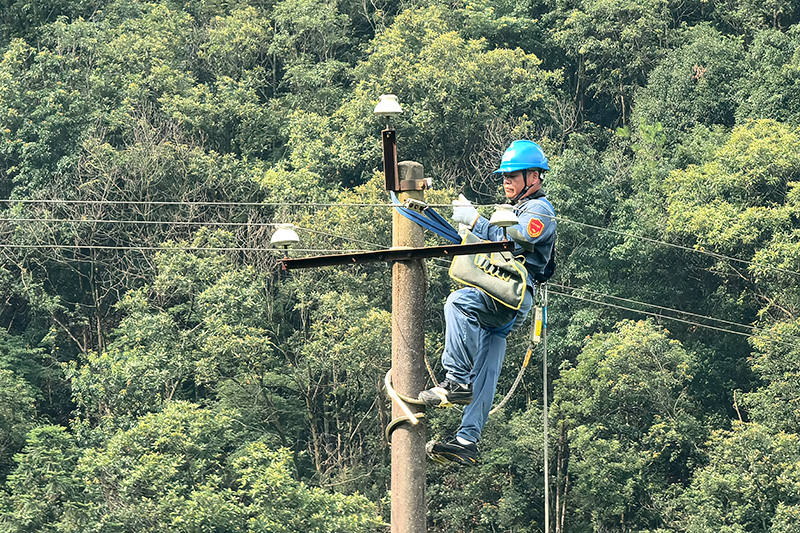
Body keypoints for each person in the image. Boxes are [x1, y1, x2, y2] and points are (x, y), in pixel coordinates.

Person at [419, 140, 556, 466]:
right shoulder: (513, 210)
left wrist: (476, 220)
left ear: (534, 177)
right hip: (505, 296)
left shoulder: (540, 210)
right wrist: (468, 223)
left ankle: (456, 381)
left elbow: (514, 238)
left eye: (514, 175)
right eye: (504, 176)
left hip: (512, 293)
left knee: (458, 303)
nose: (506, 181)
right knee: (487, 367)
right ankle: (467, 440)